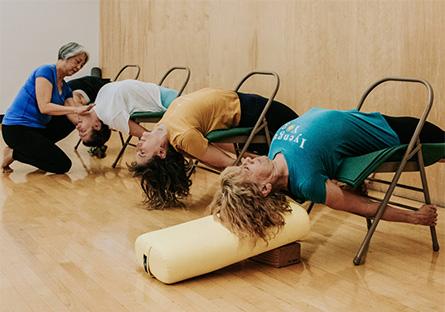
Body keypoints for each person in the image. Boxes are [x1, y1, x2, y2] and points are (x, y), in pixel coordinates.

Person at [210, 107, 444, 241]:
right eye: (246, 169)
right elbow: (365, 206)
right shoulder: (308, 182)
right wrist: (414, 217)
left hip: (372, 117)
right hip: (393, 133)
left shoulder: (274, 151)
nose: (248, 159)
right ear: (264, 188)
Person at [130, 87, 299, 209]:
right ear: (161, 152)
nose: (138, 144)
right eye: (142, 152)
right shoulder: (182, 137)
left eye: (139, 150)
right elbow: (230, 164)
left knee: (298, 134)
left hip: (243, 101)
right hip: (251, 112)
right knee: (298, 133)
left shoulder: (163, 125)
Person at [1, 42, 93, 174]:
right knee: (62, 165)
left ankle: (36, 151)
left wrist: (89, 124)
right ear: (65, 56)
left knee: (68, 121)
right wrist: (76, 109)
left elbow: (74, 117)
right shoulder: (46, 71)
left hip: (38, 129)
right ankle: (13, 153)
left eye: (82, 65)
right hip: (17, 129)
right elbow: (44, 107)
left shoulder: (66, 87)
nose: (79, 67)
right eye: (77, 62)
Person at [74, 79, 178, 147]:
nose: (77, 127)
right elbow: (149, 136)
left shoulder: (100, 104)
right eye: (83, 131)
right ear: (96, 126)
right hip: (172, 103)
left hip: (171, 98)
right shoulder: (112, 117)